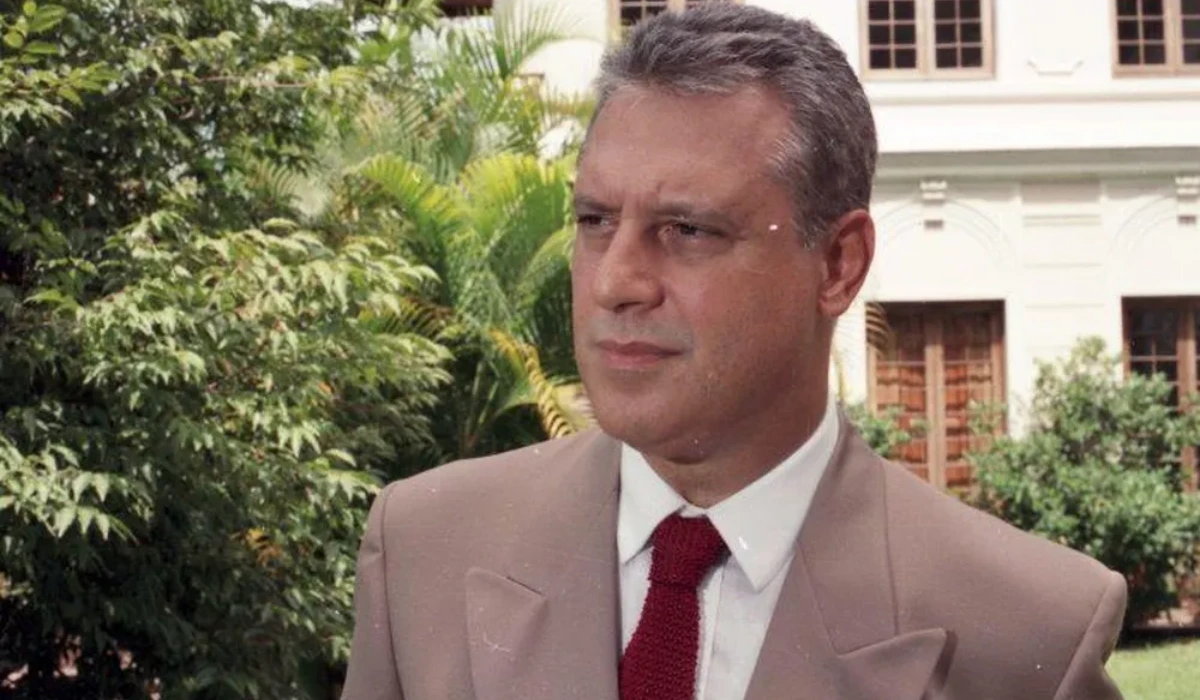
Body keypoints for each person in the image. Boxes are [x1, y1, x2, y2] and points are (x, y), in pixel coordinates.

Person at [340, 5, 1126, 699]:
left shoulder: (1028, 631)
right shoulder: (424, 549)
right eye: (594, 221)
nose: (615, 282)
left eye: (688, 230)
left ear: (838, 265)